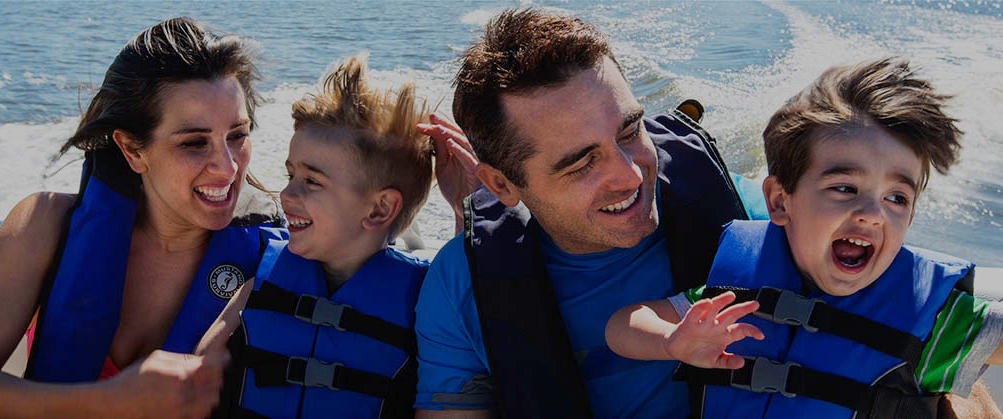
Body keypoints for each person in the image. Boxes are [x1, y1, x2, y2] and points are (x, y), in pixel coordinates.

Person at [413, 9, 1003, 419]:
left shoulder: (757, 219)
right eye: (580, 163)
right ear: (502, 184)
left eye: (630, 130)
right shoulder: (466, 287)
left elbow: (904, 322)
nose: (629, 173)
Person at [0, 18, 475, 418]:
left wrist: (469, 209)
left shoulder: (275, 257)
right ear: (131, 149)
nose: (228, 168)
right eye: (193, 142)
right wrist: (107, 402)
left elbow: (446, 320)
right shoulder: (46, 227)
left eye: (238, 134)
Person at [604, 58, 1003, 418]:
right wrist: (673, 340)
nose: (873, 214)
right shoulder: (734, 299)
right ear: (780, 201)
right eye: (845, 188)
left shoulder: (934, 319)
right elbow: (622, 326)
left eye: (896, 198)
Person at [196, 53, 459, 418]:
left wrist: (465, 207)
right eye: (291, 176)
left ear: (379, 210)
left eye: (312, 182)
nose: (287, 196)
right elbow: (196, 375)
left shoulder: (428, 301)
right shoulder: (263, 279)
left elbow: (478, 296)